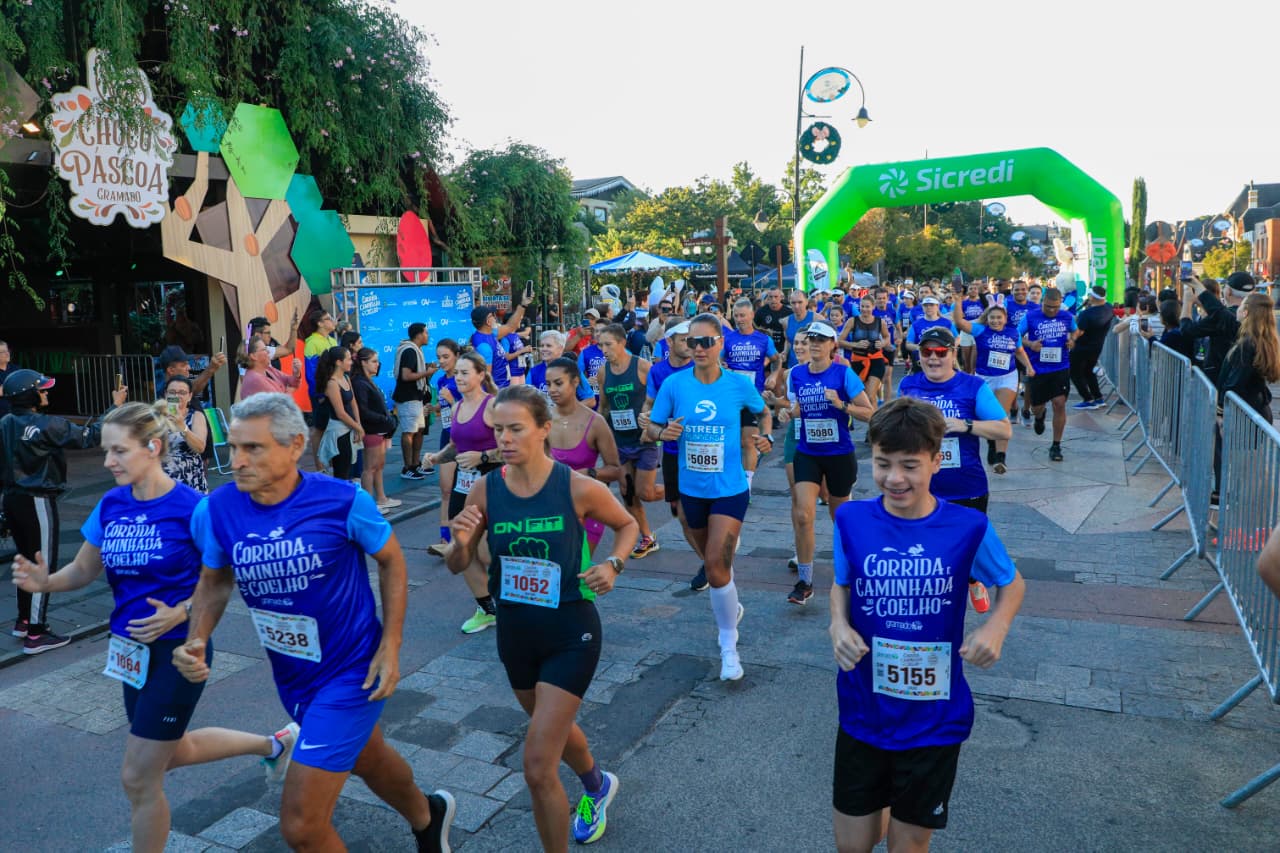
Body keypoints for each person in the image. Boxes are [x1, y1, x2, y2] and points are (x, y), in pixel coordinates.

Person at [173, 393, 454, 851]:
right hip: (293, 676)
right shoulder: (216, 509)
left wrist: (392, 644)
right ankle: (429, 817)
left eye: (253, 448)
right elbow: (215, 578)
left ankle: (426, 817)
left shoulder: (343, 500)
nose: (237, 461)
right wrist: (197, 637)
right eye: (233, 448)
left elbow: (392, 561)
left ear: (295, 445)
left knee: (302, 826)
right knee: (369, 757)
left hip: (352, 670)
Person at [10, 402, 295, 853]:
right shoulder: (110, 504)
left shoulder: (193, 508)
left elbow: (221, 579)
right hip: (129, 652)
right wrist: (46, 581)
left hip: (178, 652)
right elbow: (84, 571)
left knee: (139, 776)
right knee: (171, 751)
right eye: (106, 451)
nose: (107, 462)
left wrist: (182, 611)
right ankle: (274, 745)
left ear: (152, 448)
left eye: (118, 451)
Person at [829, 397, 1024, 853]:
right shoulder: (851, 519)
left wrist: (995, 627)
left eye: (910, 466)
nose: (895, 478)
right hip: (863, 707)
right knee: (851, 848)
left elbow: (1012, 585)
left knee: (908, 845)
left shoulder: (968, 526)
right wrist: (837, 625)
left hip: (934, 718)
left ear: (937, 461)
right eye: (883, 464)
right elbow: (842, 583)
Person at [448, 385, 636, 849]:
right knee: (551, 730)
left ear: (543, 429)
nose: (504, 439)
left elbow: (627, 524)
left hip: (571, 632)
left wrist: (613, 564)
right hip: (515, 635)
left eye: (515, 429)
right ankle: (598, 784)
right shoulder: (485, 490)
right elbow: (458, 564)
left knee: (536, 765)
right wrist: (462, 541)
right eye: (498, 430)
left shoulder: (575, 486)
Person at [646, 314, 773, 682]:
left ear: (720, 344)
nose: (698, 348)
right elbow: (651, 428)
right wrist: (662, 433)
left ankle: (728, 647)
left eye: (706, 342)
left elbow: (764, 413)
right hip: (692, 489)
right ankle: (729, 602)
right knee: (714, 565)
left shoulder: (736, 385)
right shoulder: (673, 384)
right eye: (692, 342)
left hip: (730, 488)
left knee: (717, 565)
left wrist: (763, 439)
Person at [0, 369, 128, 653]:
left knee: (25, 560)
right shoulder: (47, 424)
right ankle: (36, 632)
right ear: (30, 394)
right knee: (41, 561)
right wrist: (115, 406)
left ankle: (24, 620)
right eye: (42, 390)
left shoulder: (5, 422)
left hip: (12, 498)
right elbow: (90, 436)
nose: (46, 393)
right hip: (37, 499)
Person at [782, 321, 875, 605]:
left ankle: (854, 570)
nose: (814, 344)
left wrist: (842, 406)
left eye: (821, 340)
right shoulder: (796, 374)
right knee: (803, 515)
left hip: (839, 455)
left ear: (832, 345)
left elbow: (870, 413)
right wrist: (789, 413)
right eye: (811, 339)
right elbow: (798, 408)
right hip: (808, 453)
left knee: (841, 518)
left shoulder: (843, 374)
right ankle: (805, 581)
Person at [422, 352, 502, 635]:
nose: (459, 377)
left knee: (488, 551)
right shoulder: (456, 409)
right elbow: (456, 447)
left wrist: (483, 457)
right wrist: (436, 457)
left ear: (481, 374)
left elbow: (513, 446)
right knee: (463, 545)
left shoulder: (493, 405)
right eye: (457, 373)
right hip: (463, 486)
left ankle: (511, 596)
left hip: (491, 483)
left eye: (465, 372)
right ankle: (486, 608)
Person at [899, 327, 1013, 513]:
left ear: (953, 355)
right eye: (927, 352)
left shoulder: (973, 386)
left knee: (967, 543)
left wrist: (966, 425)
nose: (933, 357)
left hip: (965, 489)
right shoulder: (908, 385)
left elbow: (1004, 430)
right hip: (919, 489)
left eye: (941, 352)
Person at [639, 320, 706, 588]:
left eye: (693, 339)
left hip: (702, 449)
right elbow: (650, 403)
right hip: (671, 451)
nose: (690, 344)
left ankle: (716, 555)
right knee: (681, 514)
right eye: (684, 339)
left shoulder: (702, 367)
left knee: (707, 508)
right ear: (669, 342)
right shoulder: (658, 371)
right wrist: (646, 419)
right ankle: (709, 561)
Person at [596, 324, 663, 558]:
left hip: (644, 439)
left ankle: (680, 491)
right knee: (627, 492)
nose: (603, 349)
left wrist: (652, 425)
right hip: (619, 441)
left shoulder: (643, 367)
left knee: (646, 492)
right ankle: (647, 537)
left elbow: (659, 401)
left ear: (622, 343)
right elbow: (603, 406)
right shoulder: (603, 372)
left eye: (608, 344)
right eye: (600, 345)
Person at [547, 358, 623, 555]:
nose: (552, 389)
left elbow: (615, 470)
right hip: (551, 507)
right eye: (548, 384)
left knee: (577, 567)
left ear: (575, 382)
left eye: (558, 383)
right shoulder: (543, 420)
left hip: (588, 506)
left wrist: (585, 473)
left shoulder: (595, 423)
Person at [951, 292, 1033, 474]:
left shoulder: (1013, 332)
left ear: (1005, 319)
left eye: (999, 318)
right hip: (984, 378)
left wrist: (1028, 366)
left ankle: (1000, 458)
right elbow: (959, 323)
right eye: (992, 318)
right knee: (987, 416)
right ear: (987, 318)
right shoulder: (980, 330)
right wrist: (957, 302)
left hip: (1007, 377)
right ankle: (991, 441)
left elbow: (1019, 351)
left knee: (1000, 414)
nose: (996, 321)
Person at [722, 298, 781, 493]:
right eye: (736, 316)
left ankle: (746, 484)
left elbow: (776, 360)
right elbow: (717, 361)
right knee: (732, 441)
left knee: (748, 441)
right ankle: (732, 476)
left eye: (743, 316)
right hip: (730, 397)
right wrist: (721, 366)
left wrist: (773, 374)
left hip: (752, 396)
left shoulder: (763, 339)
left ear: (751, 315)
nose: (739, 320)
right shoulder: (728, 338)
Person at [1018, 287, 1077, 462]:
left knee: (1059, 404)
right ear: (1042, 302)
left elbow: (1076, 330)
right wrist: (1030, 344)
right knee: (1037, 407)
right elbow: (1015, 336)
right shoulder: (1030, 316)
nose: (1051, 310)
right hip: (1038, 368)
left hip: (1060, 366)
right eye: (1048, 306)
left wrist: (1072, 340)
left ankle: (1056, 445)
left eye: (1055, 307)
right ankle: (1039, 416)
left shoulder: (1066, 316)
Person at [1218, 291, 1280, 422]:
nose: (1238, 307)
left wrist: (1220, 412)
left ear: (1245, 312)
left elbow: (1235, 384)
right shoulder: (1261, 341)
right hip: (1257, 411)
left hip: (1246, 416)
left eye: (1241, 305)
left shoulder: (1247, 344)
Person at [1180, 272, 1250, 385]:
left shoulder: (1223, 318)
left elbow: (1186, 330)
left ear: (1228, 292)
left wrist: (1187, 301)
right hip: (1248, 382)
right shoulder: (1258, 315)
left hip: (1222, 380)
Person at [352, 348, 399, 513]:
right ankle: (369, 506)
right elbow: (363, 410)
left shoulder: (368, 380)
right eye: (373, 361)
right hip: (371, 430)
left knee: (379, 466)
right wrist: (384, 419)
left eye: (377, 361)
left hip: (380, 429)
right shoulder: (359, 383)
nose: (377, 364)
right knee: (369, 467)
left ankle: (381, 498)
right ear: (363, 362)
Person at [427, 340, 461, 555]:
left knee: (468, 491)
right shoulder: (441, 381)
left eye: (445, 357)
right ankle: (444, 538)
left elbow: (473, 409)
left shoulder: (464, 379)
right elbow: (446, 407)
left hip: (467, 439)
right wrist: (435, 407)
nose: (441, 361)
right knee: (446, 488)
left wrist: (453, 400)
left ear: (456, 355)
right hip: (448, 435)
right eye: (439, 357)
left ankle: (467, 537)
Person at [315, 347, 363, 481]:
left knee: (350, 467)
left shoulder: (346, 378)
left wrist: (358, 423)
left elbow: (353, 403)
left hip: (350, 427)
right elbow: (340, 412)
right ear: (338, 362)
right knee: (342, 471)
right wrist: (357, 427)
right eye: (348, 359)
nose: (351, 362)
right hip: (339, 431)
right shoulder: (332, 383)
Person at [392, 323, 433, 481]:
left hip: (416, 396)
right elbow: (406, 375)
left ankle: (416, 464)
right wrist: (426, 372)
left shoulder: (416, 350)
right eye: (426, 333)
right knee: (409, 432)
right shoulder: (409, 350)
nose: (428, 336)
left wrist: (426, 371)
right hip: (407, 397)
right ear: (419, 335)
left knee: (419, 430)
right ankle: (407, 467)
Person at [470, 293, 533, 390]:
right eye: (492, 316)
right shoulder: (484, 346)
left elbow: (510, 326)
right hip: (497, 391)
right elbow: (486, 378)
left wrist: (523, 304)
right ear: (488, 321)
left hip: (503, 387)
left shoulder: (490, 334)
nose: (495, 318)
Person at [159, 376, 209, 493]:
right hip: (163, 479)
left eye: (182, 392)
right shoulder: (157, 417)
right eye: (172, 392)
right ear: (166, 394)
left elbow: (200, 447)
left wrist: (183, 427)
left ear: (190, 396)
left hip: (190, 477)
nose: (177, 396)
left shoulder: (196, 416)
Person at [1070, 285, 1116, 410]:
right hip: (1097, 346)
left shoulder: (1087, 314)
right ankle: (1098, 398)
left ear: (1092, 297)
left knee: (1074, 373)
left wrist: (1071, 340)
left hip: (1081, 347)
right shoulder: (1108, 308)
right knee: (1088, 371)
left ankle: (1088, 399)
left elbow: (1079, 331)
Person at [839, 295, 890, 404]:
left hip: (876, 360)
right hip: (858, 361)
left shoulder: (880, 322)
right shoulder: (853, 321)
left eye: (867, 306)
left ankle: (876, 420)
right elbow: (839, 341)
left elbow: (887, 337)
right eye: (862, 306)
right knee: (865, 396)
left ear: (873, 307)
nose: (864, 309)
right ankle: (875, 418)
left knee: (871, 395)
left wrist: (882, 343)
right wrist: (855, 345)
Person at [529, 331, 595, 407]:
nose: (544, 349)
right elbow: (526, 400)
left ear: (560, 349)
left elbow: (590, 400)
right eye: (542, 345)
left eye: (548, 346)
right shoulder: (533, 372)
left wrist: (566, 412)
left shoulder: (572, 369)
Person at [905, 297, 957, 374]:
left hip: (942, 358)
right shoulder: (916, 324)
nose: (928, 307)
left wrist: (951, 350)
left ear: (937, 306)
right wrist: (921, 348)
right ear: (922, 307)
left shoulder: (947, 323)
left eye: (931, 305)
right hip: (922, 360)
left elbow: (957, 338)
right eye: (926, 305)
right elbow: (908, 344)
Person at [158, 346, 227, 401]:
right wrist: (211, 368)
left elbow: (194, 390)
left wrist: (212, 369)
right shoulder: (168, 394)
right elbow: (192, 389)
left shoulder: (182, 387)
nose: (189, 368)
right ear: (171, 370)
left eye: (188, 364)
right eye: (183, 365)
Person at [956, 283, 986, 374]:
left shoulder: (982, 302)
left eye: (975, 288)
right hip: (966, 331)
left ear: (978, 291)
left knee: (974, 361)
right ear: (968, 291)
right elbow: (959, 317)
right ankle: (968, 380)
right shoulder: (963, 303)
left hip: (978, 331)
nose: (973, 290)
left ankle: (974, 378)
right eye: (971, 288)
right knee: (966, 362)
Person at [784, 290, 817, 368]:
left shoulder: (816, 319)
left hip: (812, 367)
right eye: (793, 303)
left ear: (806, 302)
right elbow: (788, 340)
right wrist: (785, 352)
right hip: (792, 366)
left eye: (800, 302)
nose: (796, 306)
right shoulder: (786, 321)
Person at [754, 288, 792, 355]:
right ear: (767, 298)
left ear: (781, 297)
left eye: (776, 297)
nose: (773, 299)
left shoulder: (788, 312)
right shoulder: (761, 311)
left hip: (783, 351)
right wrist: (763, 331)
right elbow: (754, 328)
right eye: (770, 297)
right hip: (766, 351)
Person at [0, 339, 17, 418]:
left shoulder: (16, 369)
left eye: (7, 350)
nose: (7, 354)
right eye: (3, 352)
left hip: (16, 416)